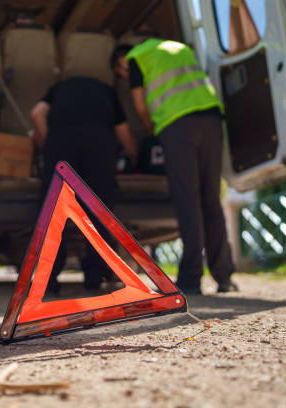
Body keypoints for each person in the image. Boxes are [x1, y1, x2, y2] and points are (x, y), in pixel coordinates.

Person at [111, 39, 237, 294]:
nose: (126, 78)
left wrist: (150, 130)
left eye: (122, 76)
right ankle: (224, 276)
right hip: (211, 118)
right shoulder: (179, 47)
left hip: (177, 125)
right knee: (211, 198)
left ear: (121, 64)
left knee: (187, 198)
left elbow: (139, 104)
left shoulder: (135, 56)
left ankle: (190, 280)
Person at [30, 76, 137, 295]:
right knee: (98, 209)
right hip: (99, 143)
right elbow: (123, 132)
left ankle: (48, 279)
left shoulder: (58, 87)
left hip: (61, 141)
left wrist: (48, 144)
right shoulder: (107, 90)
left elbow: (36, 113)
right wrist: (134, 157)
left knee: (54, 211)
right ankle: (94, 277)